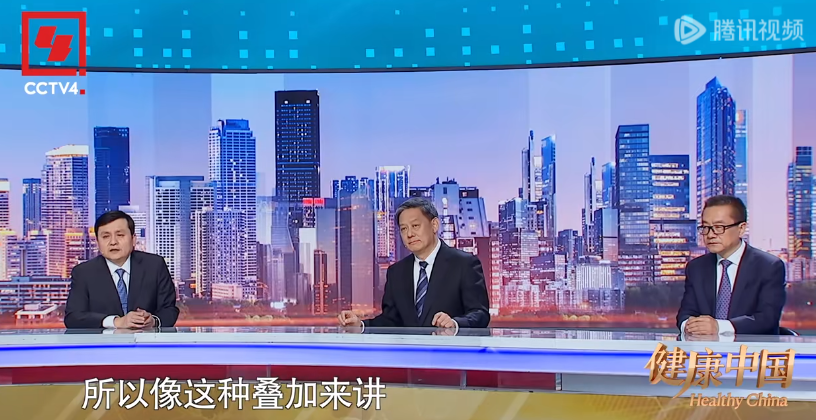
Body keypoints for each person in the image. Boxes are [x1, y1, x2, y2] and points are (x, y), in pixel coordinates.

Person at [338, 197, 490, 331]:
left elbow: (479, 314)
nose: (409, 234)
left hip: (449, 351)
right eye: (404, 229)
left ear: (434, 225)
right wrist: (360, 325)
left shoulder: (464, 264)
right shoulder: (396, 272)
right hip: (409, 353)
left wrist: (455, 324)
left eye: (415, 226)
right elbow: (391, 321)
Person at [677, 195, 786, 336]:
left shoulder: (768, 266)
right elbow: (686, 314)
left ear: (741, 228)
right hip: (706, 348)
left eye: (719, 227)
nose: (710, 235)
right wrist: (689, 326)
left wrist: (719, 327)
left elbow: (767, 318)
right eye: (705, 227)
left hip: (752, 348)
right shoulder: (696, 268)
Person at [64, 211, 179, 329]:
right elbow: (73, 317)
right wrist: (116, 322)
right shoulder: (83, 272)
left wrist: (153, 321)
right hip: (104, 340)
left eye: (120, 235)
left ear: (133, 239)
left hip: (145, 339)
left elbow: (169, 309)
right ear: (98, 242)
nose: (113, 242)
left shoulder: (154, 265)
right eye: (106, 237)